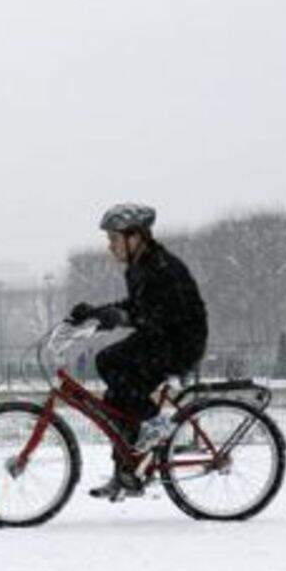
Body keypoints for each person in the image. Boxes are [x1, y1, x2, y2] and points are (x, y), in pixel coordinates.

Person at [68, 203, 208, 501]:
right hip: (161, 337)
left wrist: (120, 318)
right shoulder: (140, 267)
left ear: (136, 237)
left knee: (115, 368)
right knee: (115, 391)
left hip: (180, 342)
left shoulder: (162, 267)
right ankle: (126, 473)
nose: (110, 247)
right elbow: (135, 307)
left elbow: (161, 315)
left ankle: (154, 425)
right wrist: (97, 312)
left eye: (114, 239)